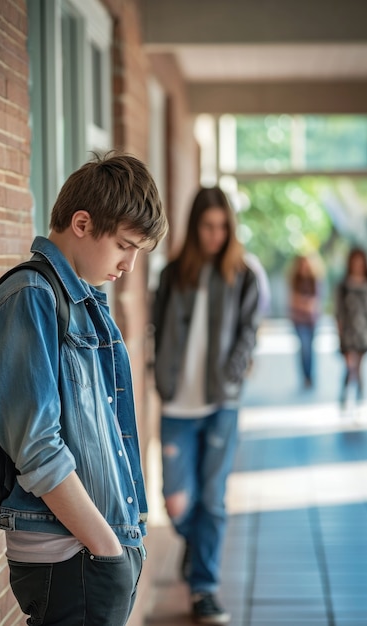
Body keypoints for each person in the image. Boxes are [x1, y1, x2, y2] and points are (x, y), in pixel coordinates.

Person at [0, 153, 168, 626]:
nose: (129, 265)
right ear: (82, 223)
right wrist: (105, 546)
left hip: (94, 548)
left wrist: (117, 547)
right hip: (70, 551)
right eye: (125, 246)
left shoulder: (86, 303)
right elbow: (35, 445)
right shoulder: (31, 295)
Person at [152, 186, 259, 624]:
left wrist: (232, 373)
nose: (215, 235)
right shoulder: (173, 274)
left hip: (221, 404)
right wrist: (159, 374)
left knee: (213, 499)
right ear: (194, 227)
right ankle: (196, 543)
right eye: (207, 226)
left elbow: (249, 331)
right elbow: (156, 325)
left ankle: (204, 588)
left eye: (222, 227)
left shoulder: (243, 274)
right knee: (176, 503)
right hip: (178, 404)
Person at [335, 246, 367, 408]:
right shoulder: (344, 285)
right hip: (348, 331)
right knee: (349, 365)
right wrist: (339, 331)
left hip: (363, 332)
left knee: (358, 365)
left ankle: (360, 394)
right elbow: (339, 311)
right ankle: (346, 392)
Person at [288, 254, 321, 388]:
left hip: (312, 321)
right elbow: (292, 301)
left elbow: (315, 303)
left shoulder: (315, 280)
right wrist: (305, 302)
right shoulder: (294, 281)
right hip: (299, 321)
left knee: (310, 349)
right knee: (304, 348)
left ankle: (310, 374)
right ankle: (306, 376)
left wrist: (302, 301)